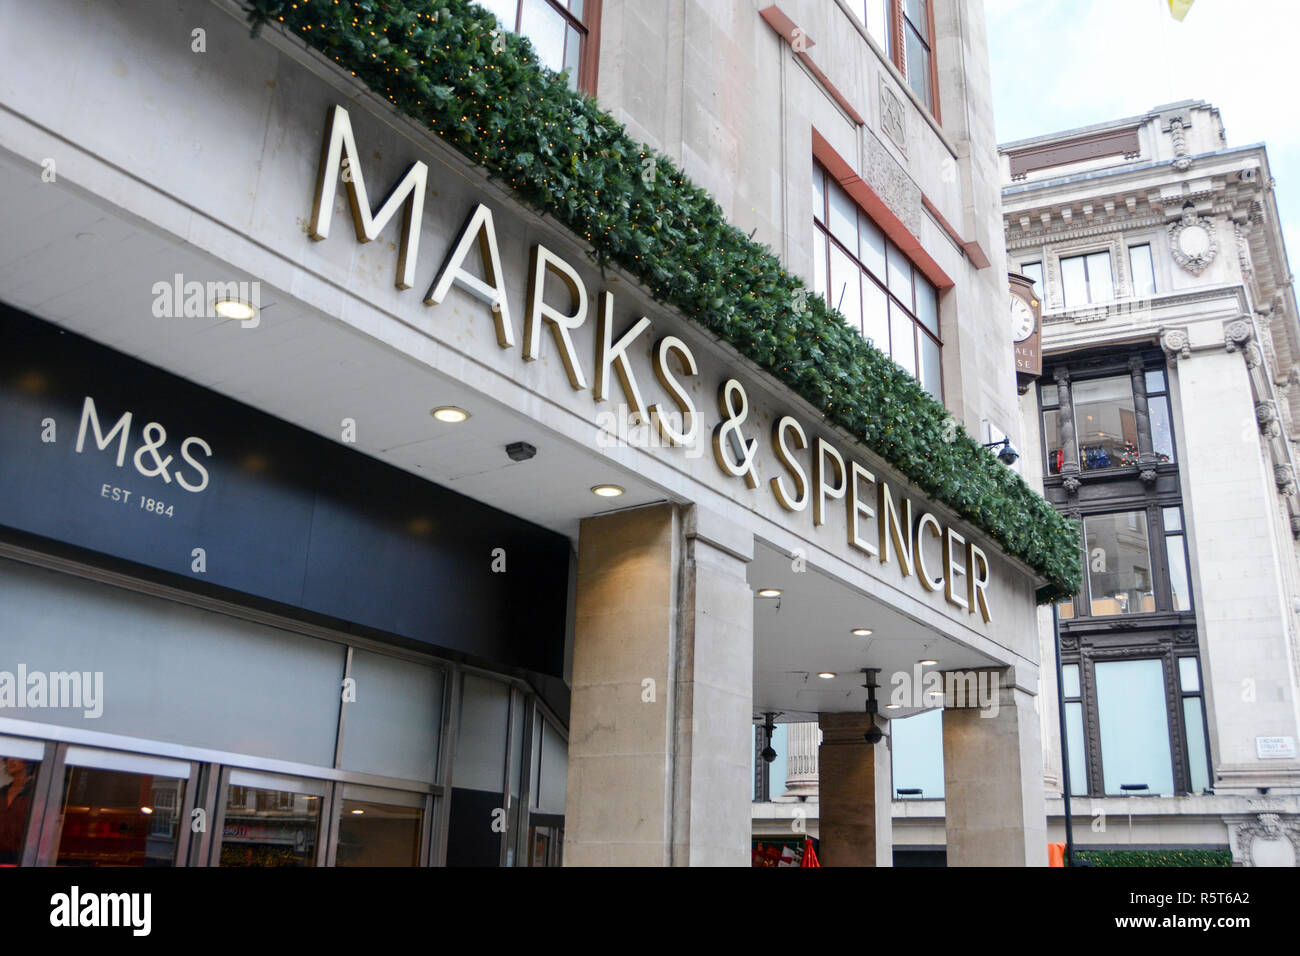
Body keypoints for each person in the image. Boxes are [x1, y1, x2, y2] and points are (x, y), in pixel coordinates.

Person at [0, 757, 35, 865]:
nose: (10, 761)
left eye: (16, 757)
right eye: (7, 758)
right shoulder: (2, 792)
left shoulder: (35, 792)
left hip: (22, 857)